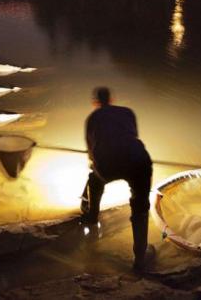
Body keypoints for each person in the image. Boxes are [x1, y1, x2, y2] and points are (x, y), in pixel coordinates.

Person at [81, 86, 155, 270]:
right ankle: (140, 257)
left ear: (95, 102)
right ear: (111, 99)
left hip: (108, 164)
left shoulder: (92, 118)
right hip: (139, 160)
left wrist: (95, 163)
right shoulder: (128, 112)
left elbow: (91, 151)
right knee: (140, 207)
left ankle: (92, 216)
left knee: (95, 179)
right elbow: (132, 136)